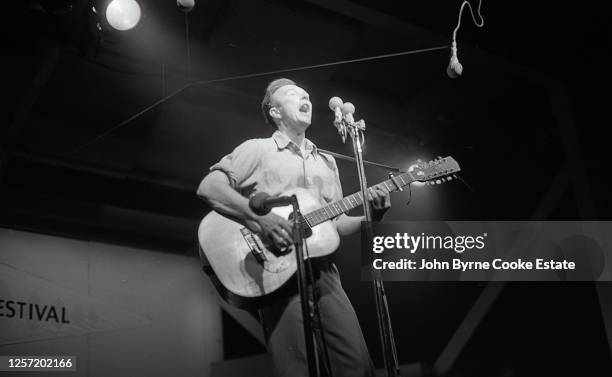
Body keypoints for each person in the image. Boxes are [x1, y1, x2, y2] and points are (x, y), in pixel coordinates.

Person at [197, 78, 391, 377]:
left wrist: (371, 218)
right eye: (293, 94)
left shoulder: (327, 162)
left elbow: (335, 225)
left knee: (357, 366)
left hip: (324, 272)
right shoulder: (258, 149)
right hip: (276, 275)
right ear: (275, 112)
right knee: (296, 369)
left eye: (307, 95)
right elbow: (210, 187)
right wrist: (258, 220)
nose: (305, 98)